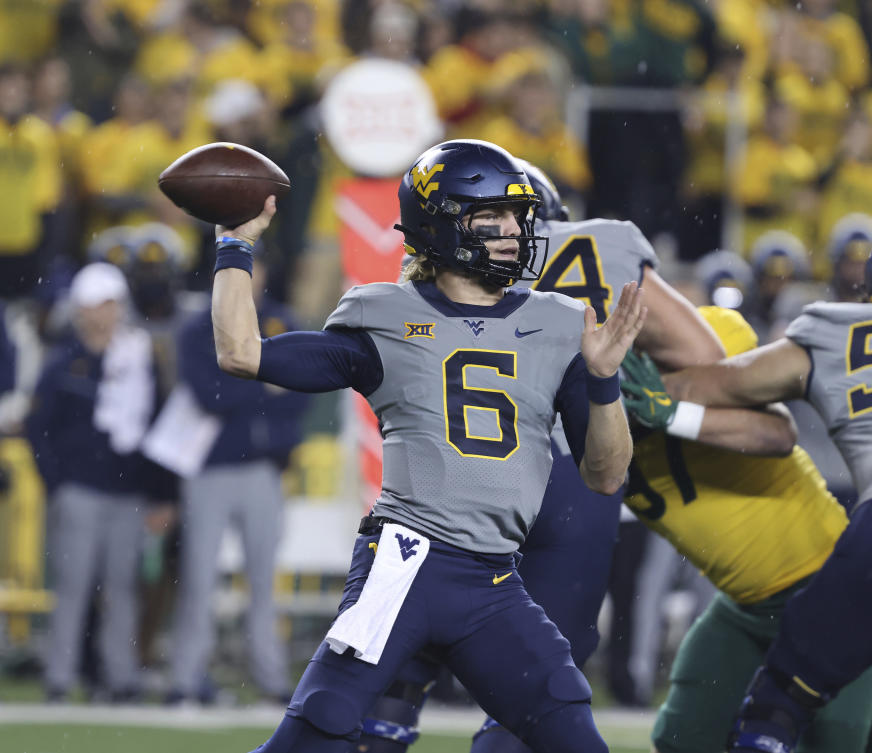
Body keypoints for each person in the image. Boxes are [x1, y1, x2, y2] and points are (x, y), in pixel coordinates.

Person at [211, 139, 645, 752]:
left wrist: (603, 382)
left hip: (493, 580)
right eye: (488, 218)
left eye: (516, 217)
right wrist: (235, 245)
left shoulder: (559, 322)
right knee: (318, 735)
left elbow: (606, 475)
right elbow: (241, 353)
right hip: (404, 562)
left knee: (571, 731)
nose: (512, 233)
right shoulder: (385, 313)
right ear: (439, 224)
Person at [356, 160, 725, 752]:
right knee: (533, 696)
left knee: (393, 659)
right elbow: (706, 354)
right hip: (573, 478)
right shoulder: (602, 245)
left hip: (459, 475)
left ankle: (383, 727)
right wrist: (636, 395)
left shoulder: (444, 257)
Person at [621, 218, 872, 753]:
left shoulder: (834, 324)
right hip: (792, 577)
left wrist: (648, 398)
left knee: (790, 710)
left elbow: (737, 388)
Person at [165, 245, 308, 706]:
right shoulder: (196, 328)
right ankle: (186, 679)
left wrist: (245, 381)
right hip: (210, 469)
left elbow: (302, 391)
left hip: (263, 469)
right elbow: (208, 394)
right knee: (199, 579)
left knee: (265, 581)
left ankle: (270, 679)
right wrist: (263, 381)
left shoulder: (282, 321)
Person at [27, 262, 174, 701]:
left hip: (128, 493)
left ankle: (120, 678)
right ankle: (59, 677)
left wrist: (161, 495)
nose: (101, 314)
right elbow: (40, 430)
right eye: (93, 305)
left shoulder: (141, 358)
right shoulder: (63, 363)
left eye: (108, 304)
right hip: (81, 492)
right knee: (72, 589)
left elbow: (159, 427)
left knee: (121, 591)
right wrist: (59, 484)